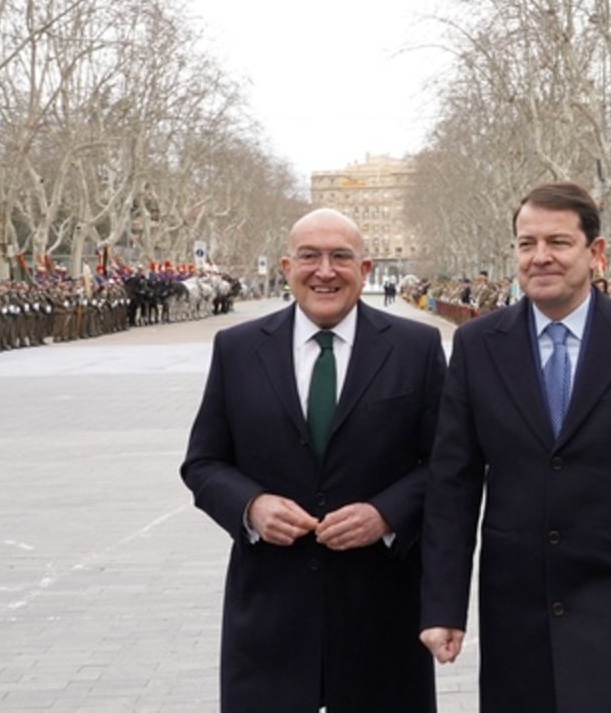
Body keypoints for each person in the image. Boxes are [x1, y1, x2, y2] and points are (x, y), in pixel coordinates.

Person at [419, 182, 611, 713]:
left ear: (595, 253)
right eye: (525, 243)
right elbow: (453, 482)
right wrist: (443, 605)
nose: (540, 258)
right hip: (517, 599)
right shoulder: (477, 345)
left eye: (557, 242)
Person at [181, 208, 446, 712]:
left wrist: (386, 513)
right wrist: (251, 506)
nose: (324, 271)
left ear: (365, 270)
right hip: (269, 620)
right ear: (286, 266)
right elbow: (203, 463)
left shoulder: (416, 347)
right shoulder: (236, 349)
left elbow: (447, 463)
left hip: (381, 617)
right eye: (310, 256)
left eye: (340, 257)